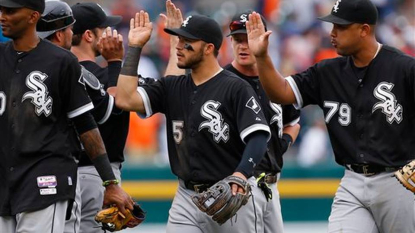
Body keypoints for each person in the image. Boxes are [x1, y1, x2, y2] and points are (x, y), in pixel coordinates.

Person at [246, 0, 415, 232]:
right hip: (352, 181)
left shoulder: (403, 68)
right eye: (332, 26)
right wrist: (262, 57)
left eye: (341, 27)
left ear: (364, 30)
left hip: (399, 180)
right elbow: (281, 93)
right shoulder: (327, 71)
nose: (332, 33)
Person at [116, 10, 271, 233]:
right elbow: (124, 98)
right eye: (179, 39)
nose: (179, 46)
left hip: (231, 194)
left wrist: (241, 174)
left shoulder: (235, 87)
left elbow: (258, 136)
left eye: (187, 41)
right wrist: (134, 48)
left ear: (208, 48)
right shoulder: (172, 86)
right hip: (186, 197)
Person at [0, 0, 133, 233]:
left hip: (45, 179)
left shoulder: (62, 61)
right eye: (1, 10)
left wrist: (110, 183)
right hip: (6, 179)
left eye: (10, 11)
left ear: (33, 17)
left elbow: (86, 124)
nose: (2, 16)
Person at [225, 10, 301, 233]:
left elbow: (293, 122)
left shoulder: (276, 82)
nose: (242, 46)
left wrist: (284, 143)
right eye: (237, 40)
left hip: (271, 184)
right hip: (238, 184)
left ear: (264, 39)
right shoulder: (221, 81)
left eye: (248, 39)